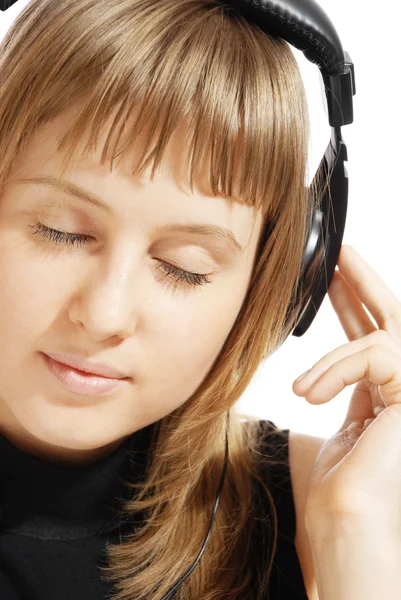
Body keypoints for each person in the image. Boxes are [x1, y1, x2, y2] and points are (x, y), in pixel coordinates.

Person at [3, 0, 391, 599]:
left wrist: (351, 543)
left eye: (183, 270)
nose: (104, 314)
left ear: (278, 283)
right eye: (63, 231)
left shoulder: (327, 509)